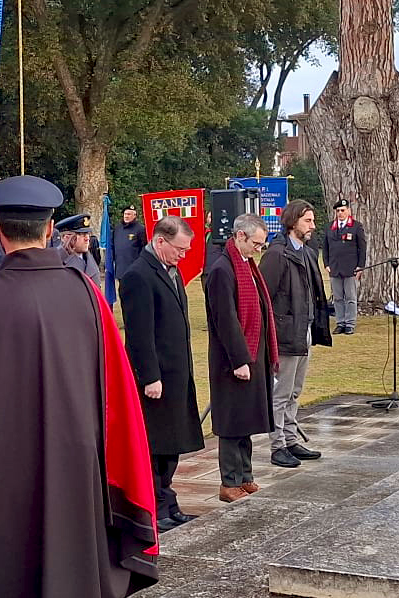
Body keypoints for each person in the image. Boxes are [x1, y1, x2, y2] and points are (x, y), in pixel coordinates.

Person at [0, 175, 158, 597]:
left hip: (4, 474)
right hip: (74, 463)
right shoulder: (85, 293)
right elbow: (114, 386)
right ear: (50, 228)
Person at [118, 214, 203, 530]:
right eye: (180, 249)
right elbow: (139, 334)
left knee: (173, 442)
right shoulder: (138, 276)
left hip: (177, 373)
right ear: (159, 241)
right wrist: (150, 376)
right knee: (156, 446)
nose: (183, 255)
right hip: (156, 378)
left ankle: (168, 501)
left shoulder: (172, 272)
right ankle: (156, 507)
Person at [204, 213, 276, 503]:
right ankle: (229, 481)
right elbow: (227, 320)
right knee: (233, 422)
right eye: (257, 243)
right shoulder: (223, 269)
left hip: (252, 352)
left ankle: (245, 475)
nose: (260, 249)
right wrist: (239, 360)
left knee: (246, 419)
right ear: (240, 236)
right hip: (231, 359)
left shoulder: (247, 265)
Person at [260, 199, 327, 468]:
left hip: (304, 330)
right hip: (285, 333)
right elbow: (265, 296)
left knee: (295, 392)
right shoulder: (277, 255)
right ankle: (277, 446)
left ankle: (290, 438)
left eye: (312, 220)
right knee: (281, 392)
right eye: (307, 221)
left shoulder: (308, 252)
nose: (312, 226)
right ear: (292, 222)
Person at [324, 198, 366, 334]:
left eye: (343, 210)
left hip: (350, 268)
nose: (340, 213)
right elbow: (325, 247)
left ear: (348, 210)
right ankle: (340, 322)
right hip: (334, 267)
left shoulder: (356, 226)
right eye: (338, 211)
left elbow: (362, 248)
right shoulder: (330, 227)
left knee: (350, 297)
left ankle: (350, 323)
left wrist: (360, 266)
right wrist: (326, 264)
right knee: (337, 298)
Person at [56, 212, 103, 286]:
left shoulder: (89, 257)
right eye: (81, 234)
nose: (87, 238)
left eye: (87, 234)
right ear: (66, 237)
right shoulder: (56, 260)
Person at [112, 206, 147, 282]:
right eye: (125, 214)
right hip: (120, 268)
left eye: (129, 214)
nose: (126, 216)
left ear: (134, 216)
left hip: (135, 269)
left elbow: (144, 248)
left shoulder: (141, 229)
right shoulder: (117, 229)